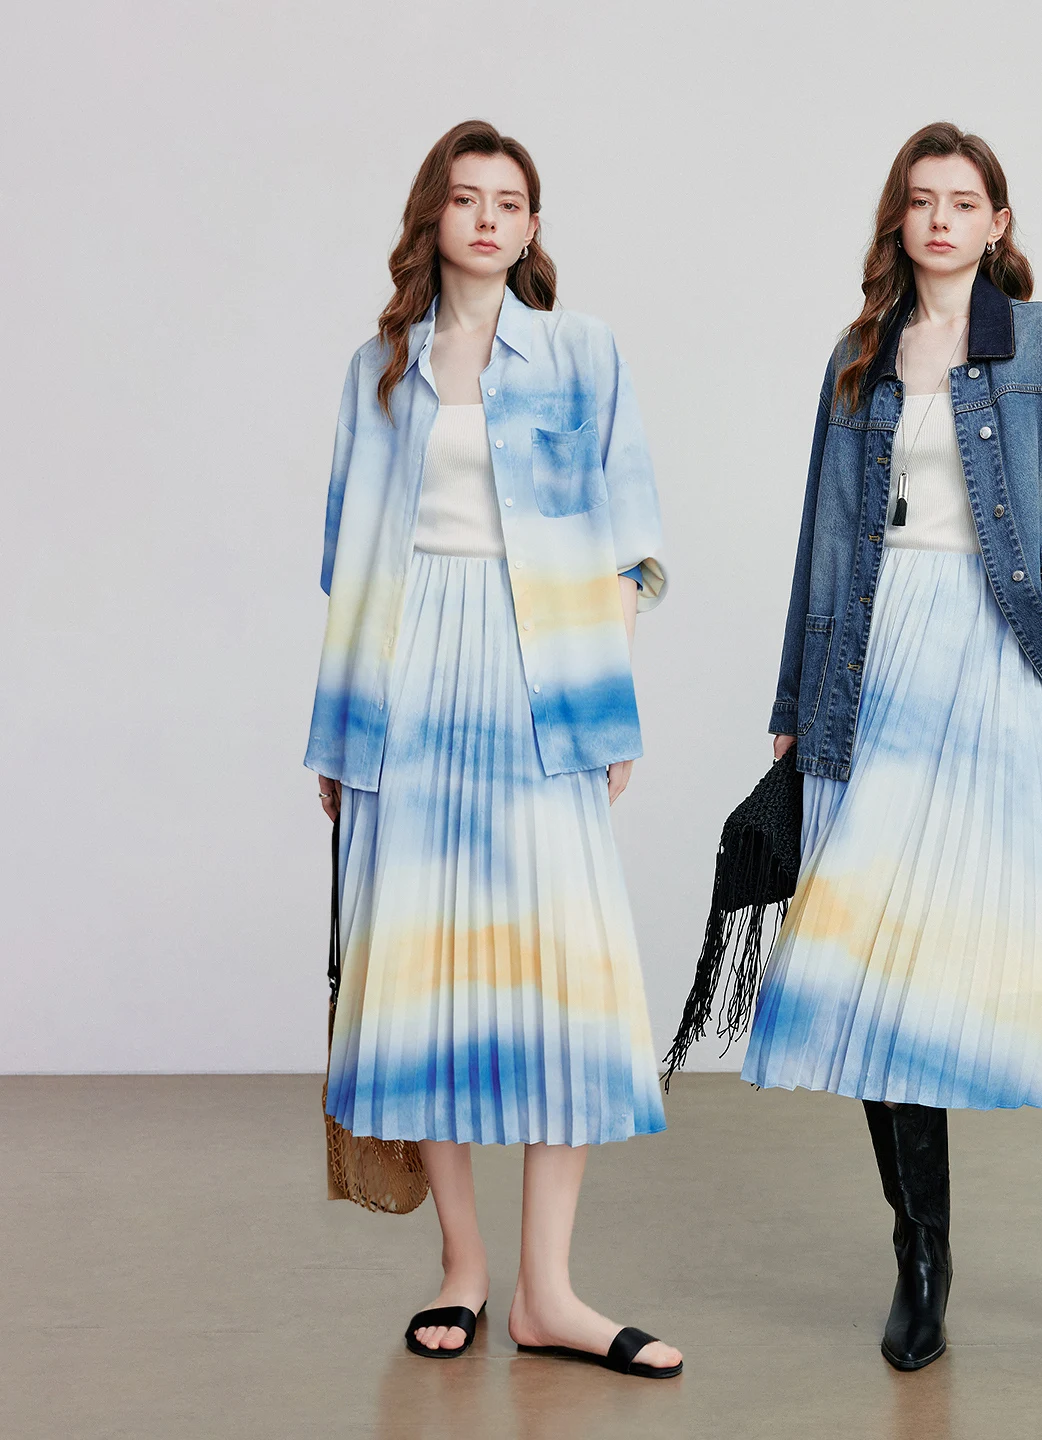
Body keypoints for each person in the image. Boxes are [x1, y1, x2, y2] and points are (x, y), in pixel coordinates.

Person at [742, 122, 1042, 1378]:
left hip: (988, 658)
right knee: (881, 969)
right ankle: (922, 1267)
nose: (941, 219)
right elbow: (821, 537)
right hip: (871, 661)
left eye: (964, 201)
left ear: (998, 222)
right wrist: (797, 700)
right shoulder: (858, 357)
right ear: (899, 220)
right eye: (921, 200)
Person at [305, 119, 681, 1379]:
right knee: (427, 978)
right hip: (406, 677)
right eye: (464, 199)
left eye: (507, 202)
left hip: (544, 674)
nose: (485, 219)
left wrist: (606, 697)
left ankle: (550, 1292)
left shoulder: (582, 353)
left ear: (531, 226)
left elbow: (630, 542)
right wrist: (339, 732)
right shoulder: (379, 367)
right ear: (435, 216)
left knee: (559, 977)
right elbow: (346, 561)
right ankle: (464, 1271)